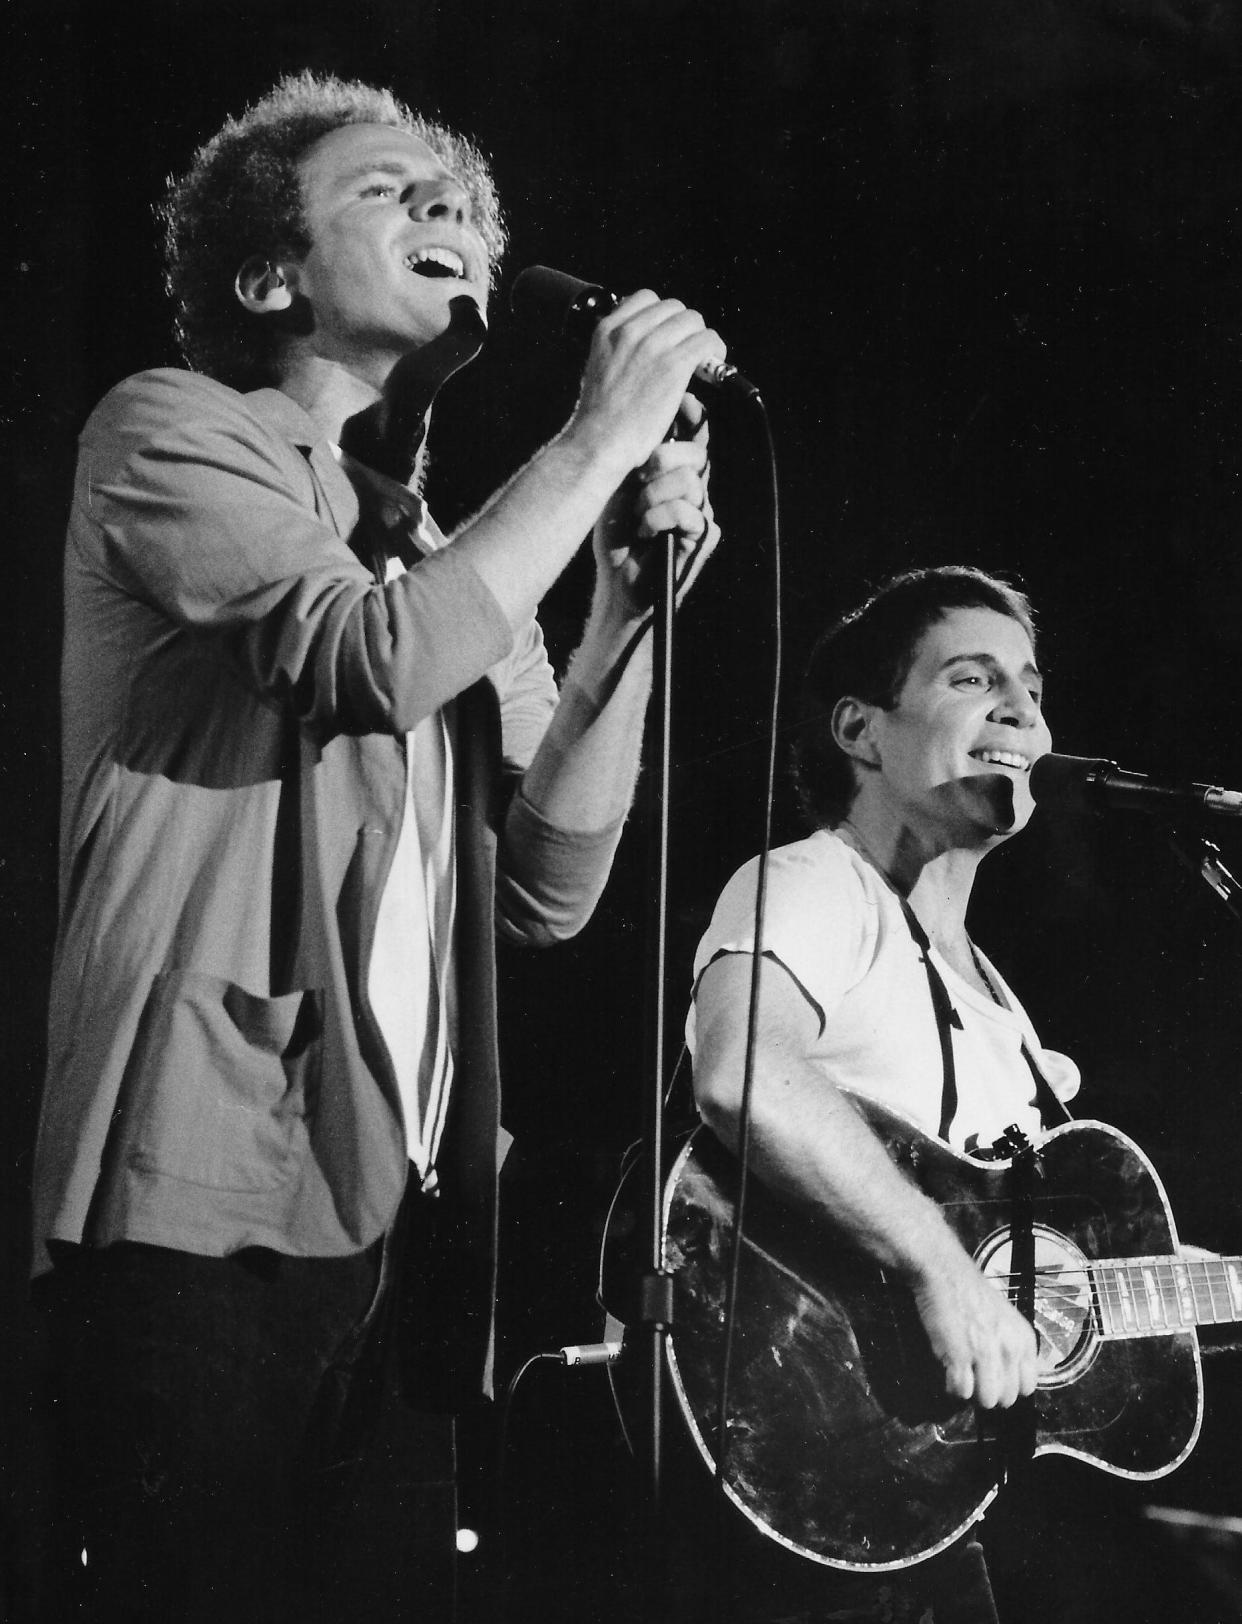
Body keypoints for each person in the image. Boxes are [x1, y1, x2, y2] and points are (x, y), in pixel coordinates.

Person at [31, 71, 723, 1623]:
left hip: (408, 1228)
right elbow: (366, 659)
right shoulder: (173, 429)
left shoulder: (441, 551)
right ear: (270, 278)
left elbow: (550, 887)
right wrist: (597, 438)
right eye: (386, 190)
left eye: (458, 199)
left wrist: (616, 614)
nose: (446, 212)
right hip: (199, 1184)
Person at [683, 566, 1080, 1623]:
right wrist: (939, 1265)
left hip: (943, 1494)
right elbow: (738, 1068)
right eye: (972, 677)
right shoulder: (818, 883)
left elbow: (1049, 1271)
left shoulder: (1001, 1004)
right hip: (830, 1451)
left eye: (1031, 687)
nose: (1022, 709)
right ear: (861, 729)